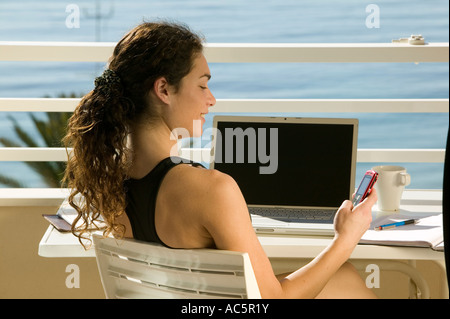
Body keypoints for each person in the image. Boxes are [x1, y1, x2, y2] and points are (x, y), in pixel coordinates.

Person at [64, 21, 378, 299]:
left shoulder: (108, 183)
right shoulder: (212, 189)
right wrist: (346, 237)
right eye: (202, 84)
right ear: (163, 89)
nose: (211, 98)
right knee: (347, 276)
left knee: (345, 277)